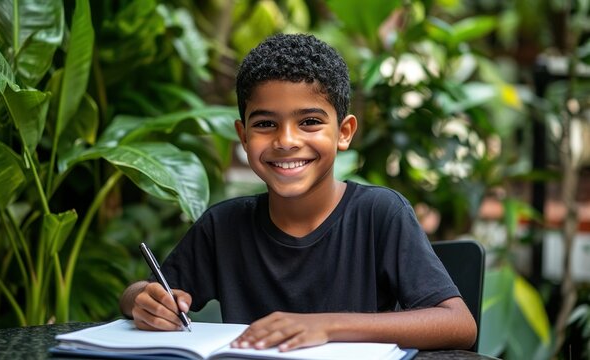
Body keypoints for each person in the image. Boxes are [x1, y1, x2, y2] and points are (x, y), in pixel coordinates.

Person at [120, 33, 477, 352]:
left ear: (344, 131)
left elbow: (457, 324)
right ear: (243, 136)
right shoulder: (224, 225)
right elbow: (140, 293)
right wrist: (145, 301)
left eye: (309, 122)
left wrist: (326, 326)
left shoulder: (380, 213)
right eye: (265, 124)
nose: (287, 140)